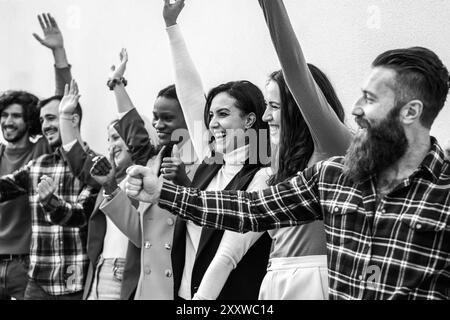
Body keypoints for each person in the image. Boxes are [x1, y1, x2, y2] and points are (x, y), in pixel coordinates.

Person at [126, 45, 450, 300]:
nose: (355, 109)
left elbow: (297, 76)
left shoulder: (337, 154)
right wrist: (164, 192)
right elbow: (251, 209)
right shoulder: (329, 174)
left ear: (411, 111)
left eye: (370, 98)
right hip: (275, 284)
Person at [185, 0, 351, 300]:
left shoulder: (331, 146)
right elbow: (231, 246)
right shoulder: (274, 163)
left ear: (300, 107)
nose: (265, 116)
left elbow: (295, 69)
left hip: (316, 280)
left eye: (273, 106)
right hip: (274, 280)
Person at [163, 0, 272, 300]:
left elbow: (228, 255)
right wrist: (171, 27)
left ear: (250, 119)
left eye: (223, 114)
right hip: (184, 296)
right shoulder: (211, 159)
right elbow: (188, 94)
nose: (212, 123)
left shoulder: (264, 174)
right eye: (211, 115)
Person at [97, 49, 200, 299]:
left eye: (167, 117)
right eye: (155, 117)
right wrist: (117, 85)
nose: (157, 124)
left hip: (184, 288)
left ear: (190, 117)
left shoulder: (205, 164)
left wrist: (183, 183)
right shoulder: (153, 162)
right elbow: (140, 234)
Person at [0, 13, 71, 300]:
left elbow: (64, 102)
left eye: (16, 116)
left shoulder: (41, 152)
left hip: (26, 265)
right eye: (4, 115)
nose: (8, 121)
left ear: (29, 121)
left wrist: (58, 52)